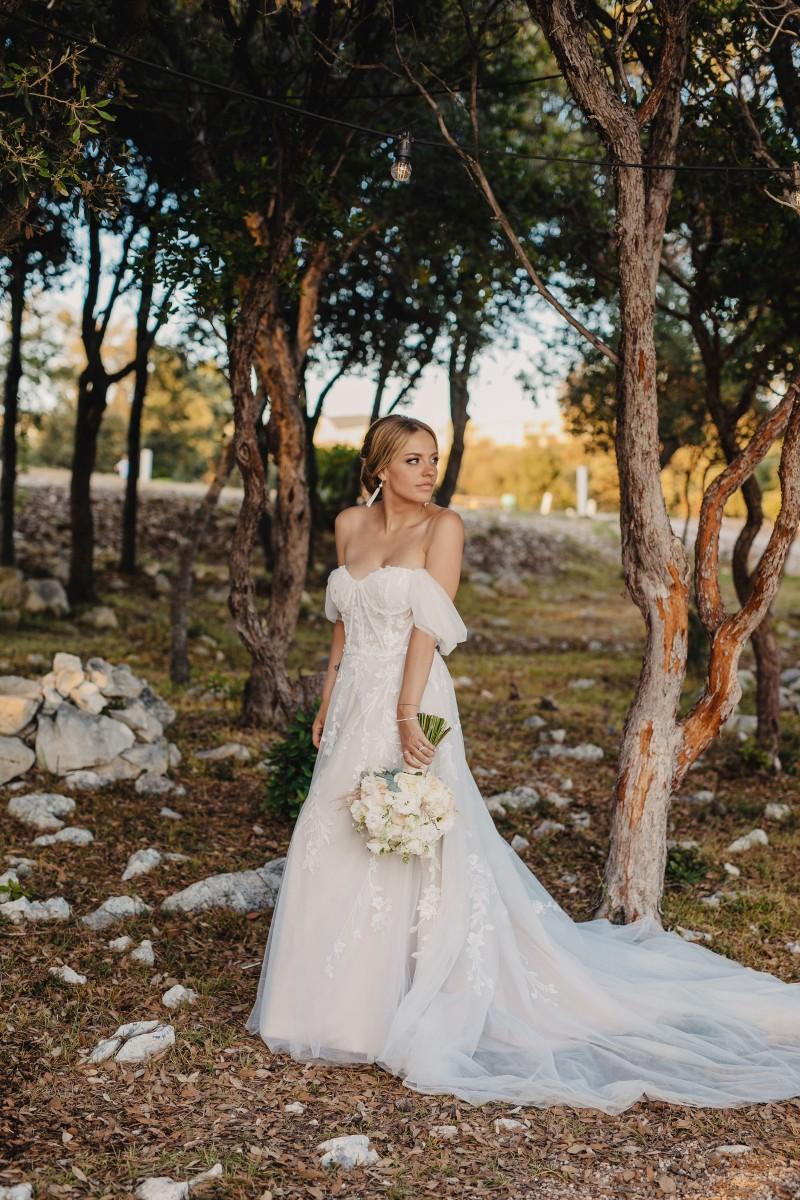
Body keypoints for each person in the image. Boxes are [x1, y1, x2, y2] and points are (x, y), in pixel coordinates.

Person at [245, 413, 800, 1114]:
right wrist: (327, 701)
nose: (428, 470)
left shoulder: (443, 528)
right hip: (355, 697)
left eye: (433, 458)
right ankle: (325, 1008)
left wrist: (407, 713)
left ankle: (398, 1001)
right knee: (335, 834)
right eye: (413, 459)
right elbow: (342, 628)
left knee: (411, 836)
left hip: (410, 696)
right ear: (379, 466)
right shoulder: (349, 524)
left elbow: (427, 629)